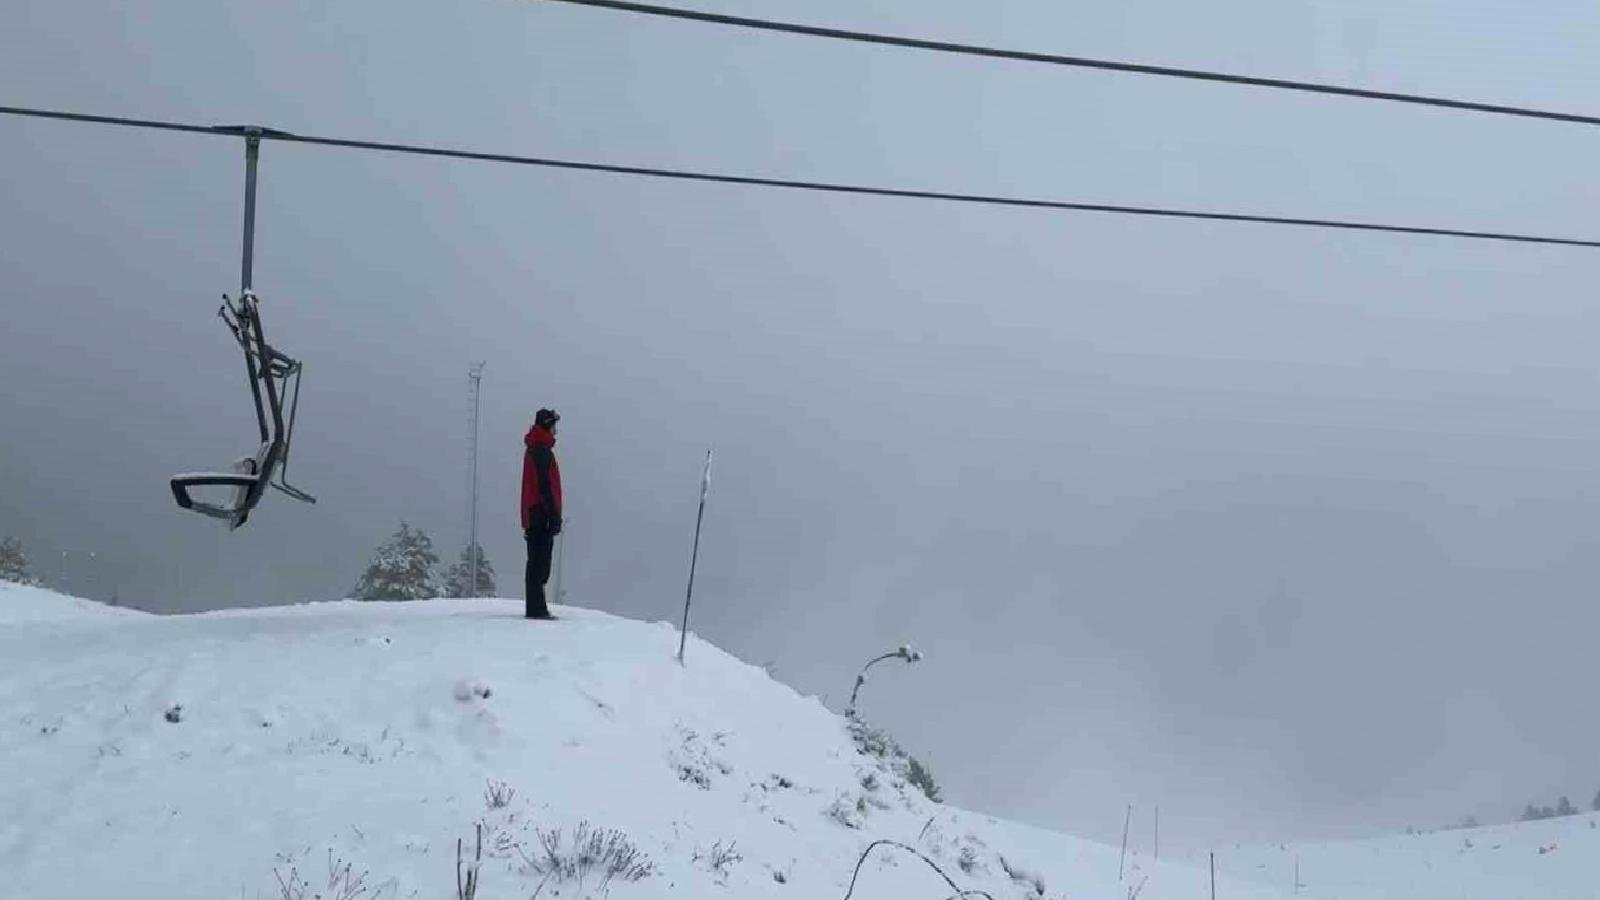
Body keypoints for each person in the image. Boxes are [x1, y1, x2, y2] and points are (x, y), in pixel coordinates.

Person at [521, 408, 563, 619]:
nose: (556, 430)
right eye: (554, 425)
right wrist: (554, 516)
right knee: (540, 563)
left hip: (534, 513)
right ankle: (537, 609)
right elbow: (545, 488)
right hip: (541, 514)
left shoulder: (536, 449)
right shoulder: (541, 452)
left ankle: (536, 607)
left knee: (536, 562)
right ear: (547, 425)